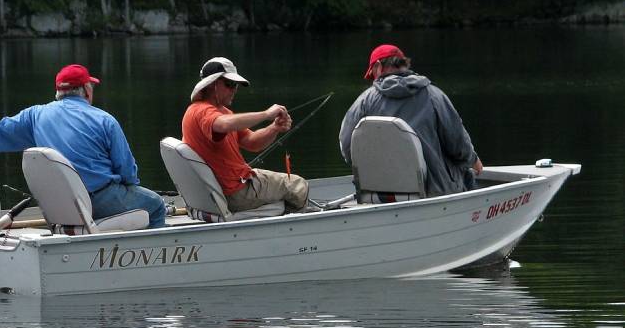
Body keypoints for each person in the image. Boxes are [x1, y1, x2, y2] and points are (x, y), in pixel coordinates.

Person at [0, 64, 166, 228]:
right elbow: (127, 172)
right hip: (98, 200)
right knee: (155, 205)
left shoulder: (35, 116)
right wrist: (131, 190)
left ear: (58, 91)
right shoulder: (104, 120)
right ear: (87, 90)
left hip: (57, 205)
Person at [339, 44, 483, 196]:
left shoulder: (363, 102)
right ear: (404, 65)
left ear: (378, 67)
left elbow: (348, 149)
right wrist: (473, 159)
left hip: (378, 195)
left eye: (372, 74)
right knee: (467, 174)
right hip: (434, 192)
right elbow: (458, 143)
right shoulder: (434, 96)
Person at [182, 56, 311, 213]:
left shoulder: (221, 112)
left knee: (286, 185)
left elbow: (252, 142)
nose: (234, 89)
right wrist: (266, 114)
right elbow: (224, 124)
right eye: (229, 84)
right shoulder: (202, 111)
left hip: (235, 187)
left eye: (236, 85)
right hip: (236, 192)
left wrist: (275, 127)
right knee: (298, 185)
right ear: (212, 85)